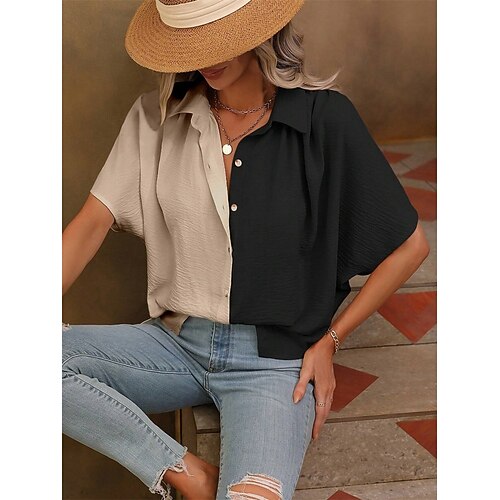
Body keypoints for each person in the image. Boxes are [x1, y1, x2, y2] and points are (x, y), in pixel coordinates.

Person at [62, 0, 430, 499]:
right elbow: (89, 225)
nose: (205, 58)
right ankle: (188, 475)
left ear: (257, 31)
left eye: (219, 39)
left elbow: (410, 246)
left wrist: (331, 339)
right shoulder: (154, 118)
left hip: (273, 365)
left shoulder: (324, 118)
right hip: (176, 344)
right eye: (192, 44)